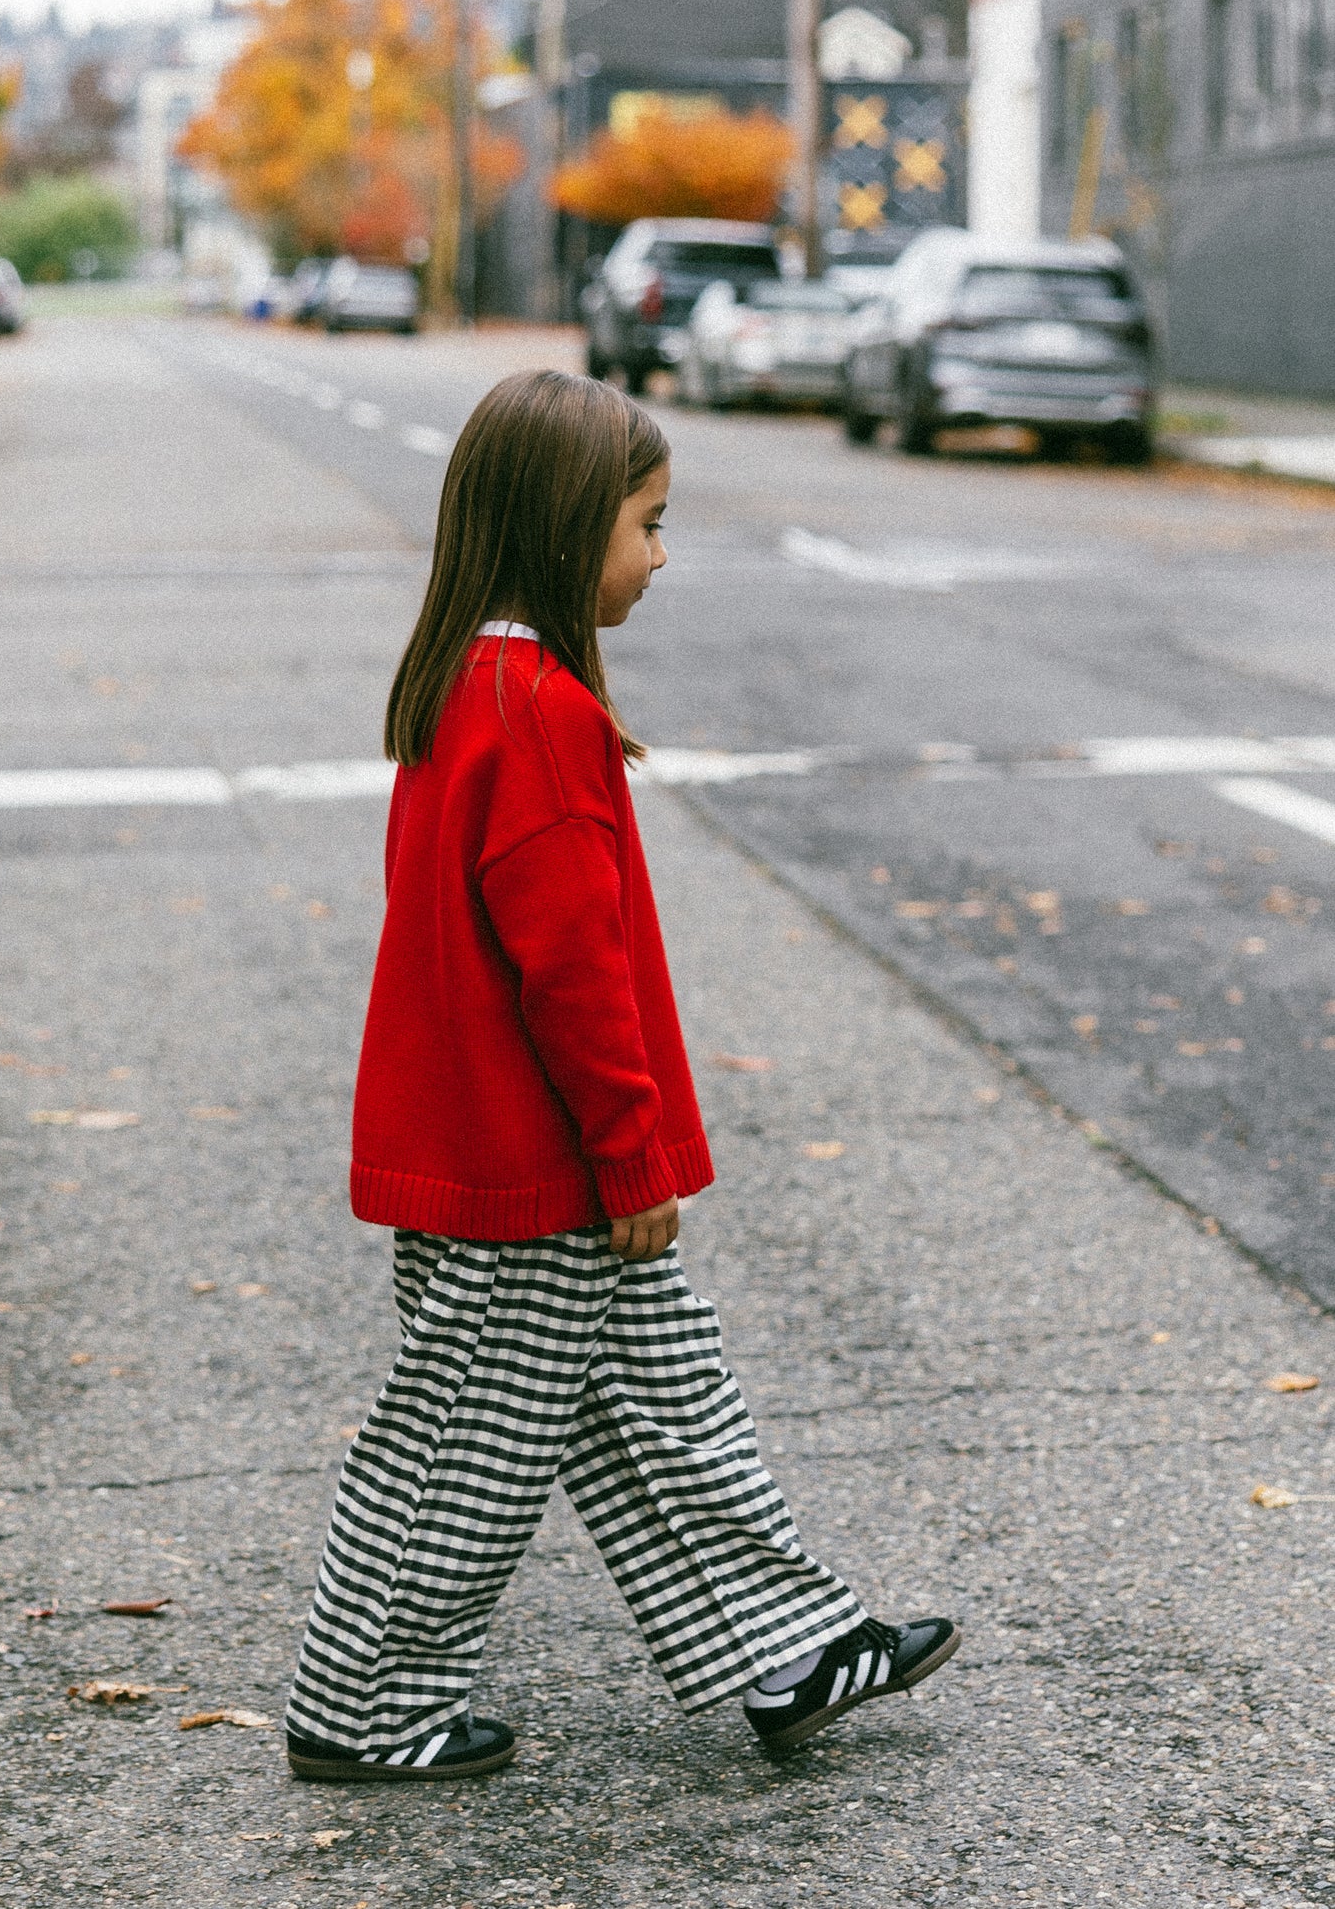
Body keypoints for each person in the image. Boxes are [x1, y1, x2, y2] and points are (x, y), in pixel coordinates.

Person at [284, 369, 959, 1783]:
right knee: (465, 1442)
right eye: (645, 523)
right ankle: (362, 1709)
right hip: (525, 1172)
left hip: (518, 1163)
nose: (660, 555)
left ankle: (784, 1646)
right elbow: (570, 975)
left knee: (661, 1395)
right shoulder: (535, 710)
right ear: (560, 527)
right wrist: (632, 1155)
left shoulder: (474, 684)